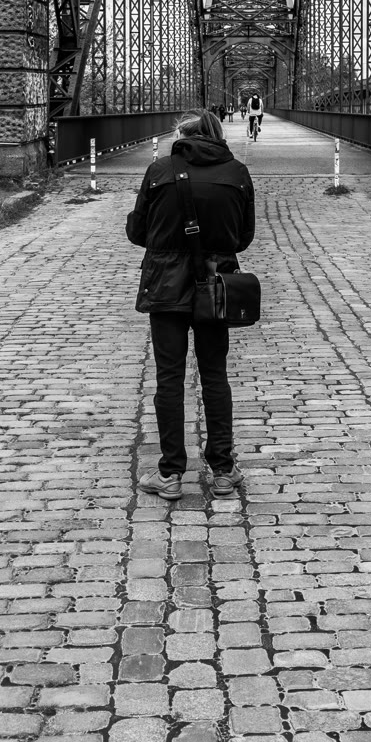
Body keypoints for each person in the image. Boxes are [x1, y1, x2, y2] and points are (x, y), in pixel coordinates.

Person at [127, 107, 255, 500]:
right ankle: (223, 471)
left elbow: (137, 232)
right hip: (215, 285)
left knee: (169, 378)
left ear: (182, 135)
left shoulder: (160, 171)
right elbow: (244, 237)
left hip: (165, 286)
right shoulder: (237, 173)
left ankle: (170, 474)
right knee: (215, 375)